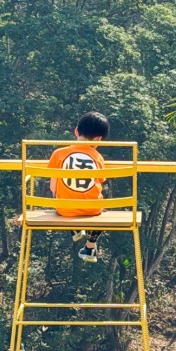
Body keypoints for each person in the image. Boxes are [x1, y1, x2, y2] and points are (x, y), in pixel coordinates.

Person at [47, 111, 110, 262]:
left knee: (64, 195)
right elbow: (99, 181)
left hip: (65, 209)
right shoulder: (98, 157)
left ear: (76, 131)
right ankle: (90, 246)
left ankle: (75, 229)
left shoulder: (58, 153)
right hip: (92, 210)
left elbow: (53, 186)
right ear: (99, 139)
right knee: (100, 209)